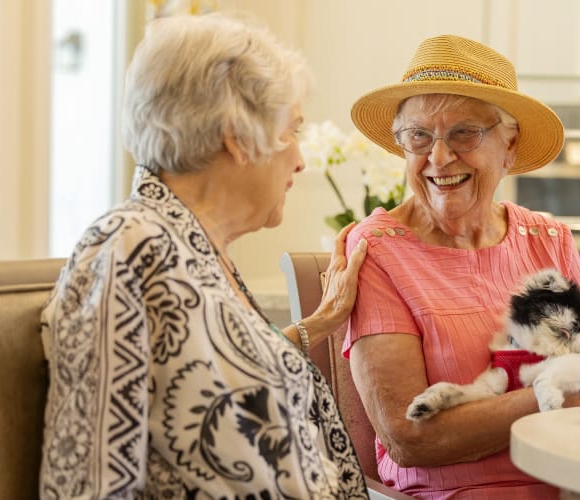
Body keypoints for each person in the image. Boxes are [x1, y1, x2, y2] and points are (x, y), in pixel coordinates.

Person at [39, 14, 370, 499]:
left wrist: (319, 324)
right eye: (291, 130)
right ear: (236, 133)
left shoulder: (193, 250)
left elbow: (206, 371)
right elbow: (89, 481)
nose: (300, 159)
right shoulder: (128, 246)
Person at [344, 34, 580, 498]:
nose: (438, 157)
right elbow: (410, 437)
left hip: (570, 486)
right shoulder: (378, 249)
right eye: (419, 136)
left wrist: (570, 395)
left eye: (464, 133)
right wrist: (550, 396)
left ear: (509, 147)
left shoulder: (548, 241)